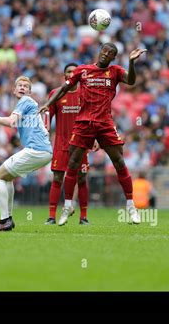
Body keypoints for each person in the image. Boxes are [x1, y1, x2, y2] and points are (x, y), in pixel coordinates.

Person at [40, 43, 147, 225]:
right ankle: (67, 206)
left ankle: (131, 206)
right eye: (104, 50)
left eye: (111, 53)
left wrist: (131, 62)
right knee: (73, 164)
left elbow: (130, 81)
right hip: (83, 123)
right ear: (100, 51)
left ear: (113, 57)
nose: (106, 54)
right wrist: (47, 102)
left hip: (105, 123)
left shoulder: (115, 71)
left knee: (119, 161)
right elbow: (64, 89)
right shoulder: (83, 71)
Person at [0, 76, 52, 231]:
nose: (22, 87)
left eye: (25, 86)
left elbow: (11, 122)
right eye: (19, 85)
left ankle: (5, 219)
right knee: (7, 179)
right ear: (14, 90)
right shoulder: (27, 105)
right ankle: (7, 219)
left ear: (29, 91)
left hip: (36, 150)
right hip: (42, 151)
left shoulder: (26, 101)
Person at [46, 62, 98, 226]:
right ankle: (51, 216)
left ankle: (83, 217)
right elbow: (48, 117)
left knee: (82, 179)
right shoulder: (56, 94)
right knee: (57, 178)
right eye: (68, 71)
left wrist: (95, 137)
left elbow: (94, 117)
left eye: (74, 71)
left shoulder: (86, 93)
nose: (71, 74)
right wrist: (45, 132)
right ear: (64, 76)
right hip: (61, 144)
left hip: (81, 145)